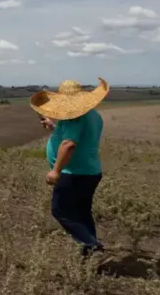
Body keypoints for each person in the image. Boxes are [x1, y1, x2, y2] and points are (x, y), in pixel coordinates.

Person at [30, 78, 109, 257]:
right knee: (82, 212)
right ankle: (89, 252)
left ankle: (92, 245)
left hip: (74, 173)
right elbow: (75, 136)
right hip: (90, 172)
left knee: (61, 210)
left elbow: (69, 144)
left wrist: (55, 170)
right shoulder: (92, 115)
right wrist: (54, 126)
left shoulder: (76, 116)